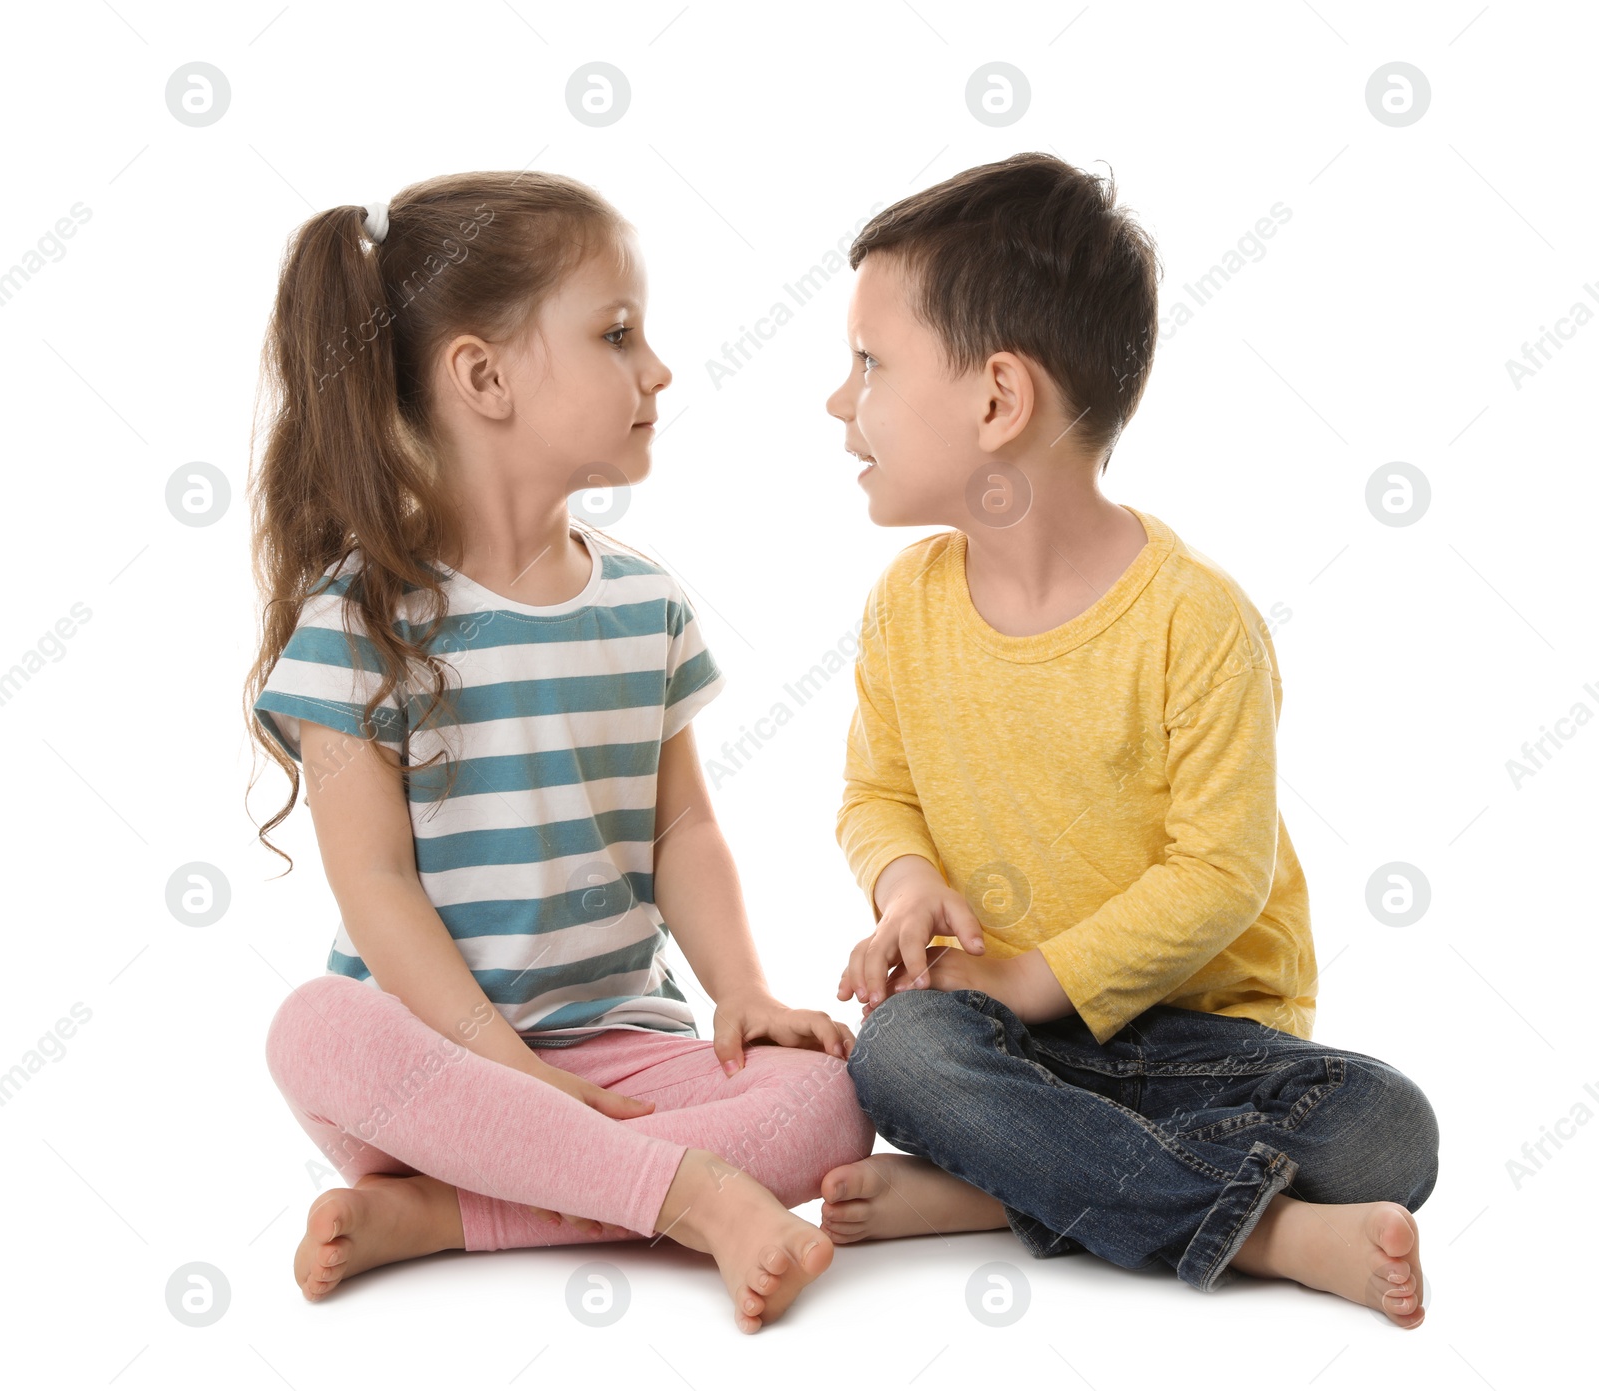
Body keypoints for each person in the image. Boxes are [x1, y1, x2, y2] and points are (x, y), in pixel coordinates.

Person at [245, 171, 874, 1334]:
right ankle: (693, 1196)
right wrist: (506, 1071)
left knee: (831, 1098)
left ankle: (452, 1216)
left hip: (626, 1047)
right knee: (312, 1028)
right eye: (617, 333)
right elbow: (373, 886)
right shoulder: (354, 625)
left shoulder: (643, 605)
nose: (660, 369)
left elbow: (681, 826)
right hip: (437, 1063)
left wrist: (742, 994)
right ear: (482, 375)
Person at [818, 152, 1439, 1328]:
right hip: (1012, 1036)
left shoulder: (1196, 622)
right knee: (899, 1053)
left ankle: (1001, 1180)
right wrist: (907, 886)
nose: (839, 401)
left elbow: (1216, 879)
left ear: (998, 401)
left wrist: (1023, 975)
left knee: (1385, 1129)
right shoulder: (905, 604)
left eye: (867, 364)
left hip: (1199, 1042)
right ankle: (1258, 1229)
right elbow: (876, 791)